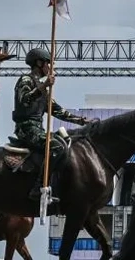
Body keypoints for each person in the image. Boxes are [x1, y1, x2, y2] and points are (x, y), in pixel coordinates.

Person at [12, 47, 92, 200]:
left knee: (65, 141)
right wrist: (43, 86)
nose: (50, 68)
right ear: (39, 63)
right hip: (26, 129)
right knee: (56, 147)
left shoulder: (43, 89)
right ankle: (39, 187)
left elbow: (57, 111)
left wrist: (81, 121)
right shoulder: (26, 80)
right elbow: (24, 99)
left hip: (38, 129)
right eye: (48, 64)